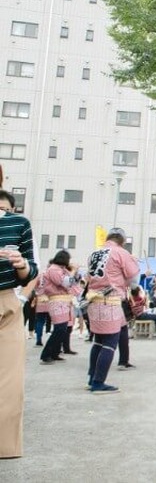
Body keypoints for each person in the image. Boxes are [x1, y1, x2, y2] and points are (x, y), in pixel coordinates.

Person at [0, 188, 39, 458]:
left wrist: (21, 264)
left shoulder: (18, 223)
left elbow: (31, 273)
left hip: (7, 304)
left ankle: (4, 447)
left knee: (10, 383)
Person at [85, 227, 140, 393]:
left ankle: (92, 378)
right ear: (122, 241)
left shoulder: (95, 253)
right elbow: (134, 281)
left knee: (98, 341)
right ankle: (98, 382)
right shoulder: (121, 253)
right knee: (110, 342)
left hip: (93, 301)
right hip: (110, 300)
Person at [39, 250, 78, 364]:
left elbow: (73, 283)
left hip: (63, 301)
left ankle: (55, 353)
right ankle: (46, 355)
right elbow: (66, 282)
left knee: (63, 329)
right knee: (59, 328)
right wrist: (73, 271)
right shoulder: (53, 269)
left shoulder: (60, 269)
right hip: (57, 301)